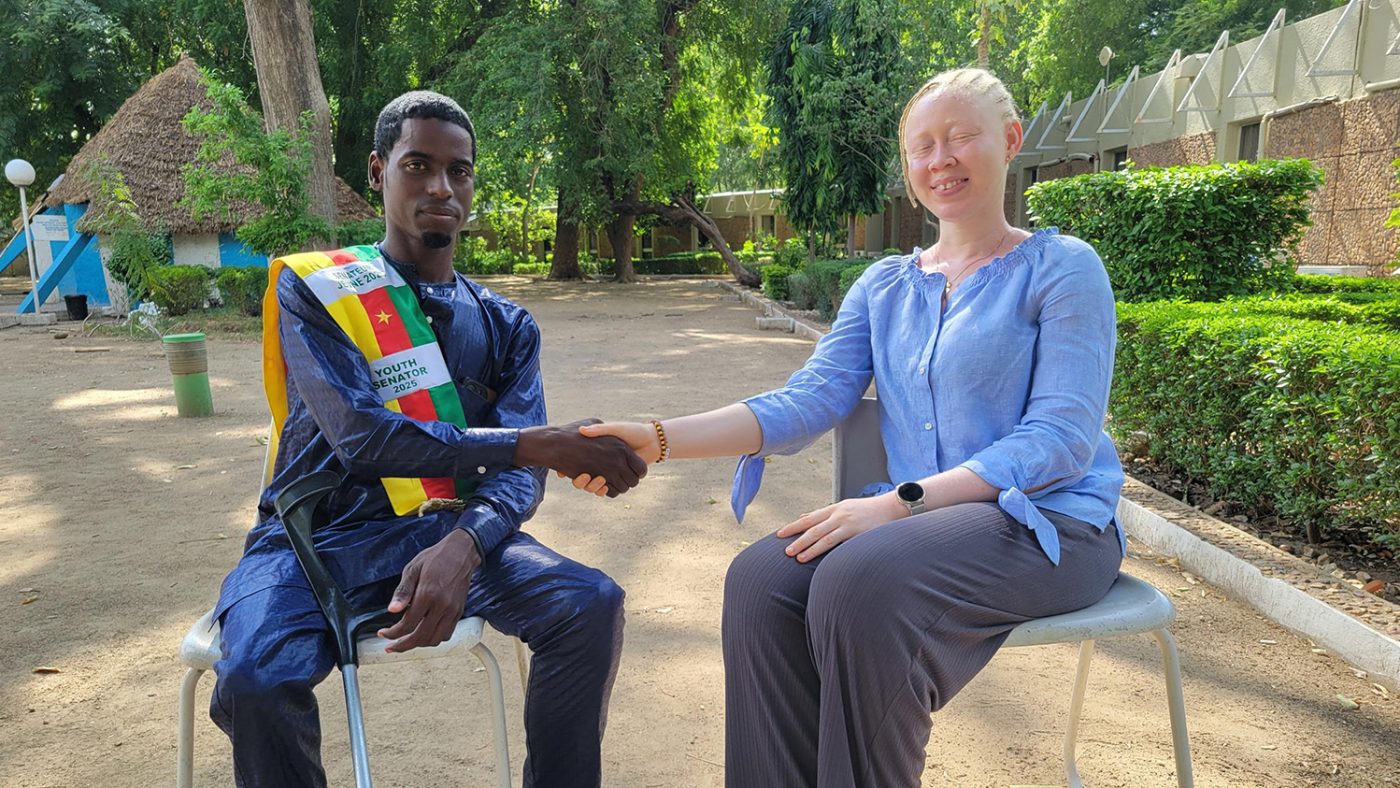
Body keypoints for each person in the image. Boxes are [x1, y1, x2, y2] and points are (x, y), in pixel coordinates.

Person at [576, 68, 1126, 787]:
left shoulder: (1063, 268)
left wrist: (899, 502)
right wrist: (660, 436)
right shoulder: (884, 286)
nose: (941, 160)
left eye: (961, 138)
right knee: (760, 580)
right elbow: (809, 398)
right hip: (922, 526)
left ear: (1010, 141)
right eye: (922, 147)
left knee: (861, 581)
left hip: (1050, 526)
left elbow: (1060, 440)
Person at [209, 90, 647, 788]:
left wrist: (465, 546)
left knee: (588, 604)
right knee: (257, 678)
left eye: (459, 170)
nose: (441, 187)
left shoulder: (506, 325)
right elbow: (363, 437)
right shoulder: (319, 292)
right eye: (419, 165)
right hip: (314, 539)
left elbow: (514, 483)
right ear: (380, 172)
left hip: (443, 528)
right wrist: (532, 443)